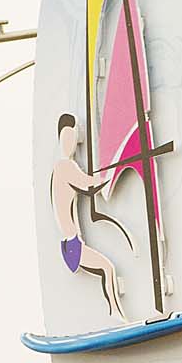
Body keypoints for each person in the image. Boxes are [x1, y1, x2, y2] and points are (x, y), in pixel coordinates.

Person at [52, 114, 125, 318]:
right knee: (108, 269)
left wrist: (103, 176)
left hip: (72, 244)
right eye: (66, 137)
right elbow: (88, 185)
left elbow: (88, 184)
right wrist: (108, 174)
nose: (69, 142)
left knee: (106, 269)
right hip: (73, 246)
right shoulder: (64, 167)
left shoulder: (63, 167)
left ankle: (116, 313)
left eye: (72, 137)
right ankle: (116, 315)